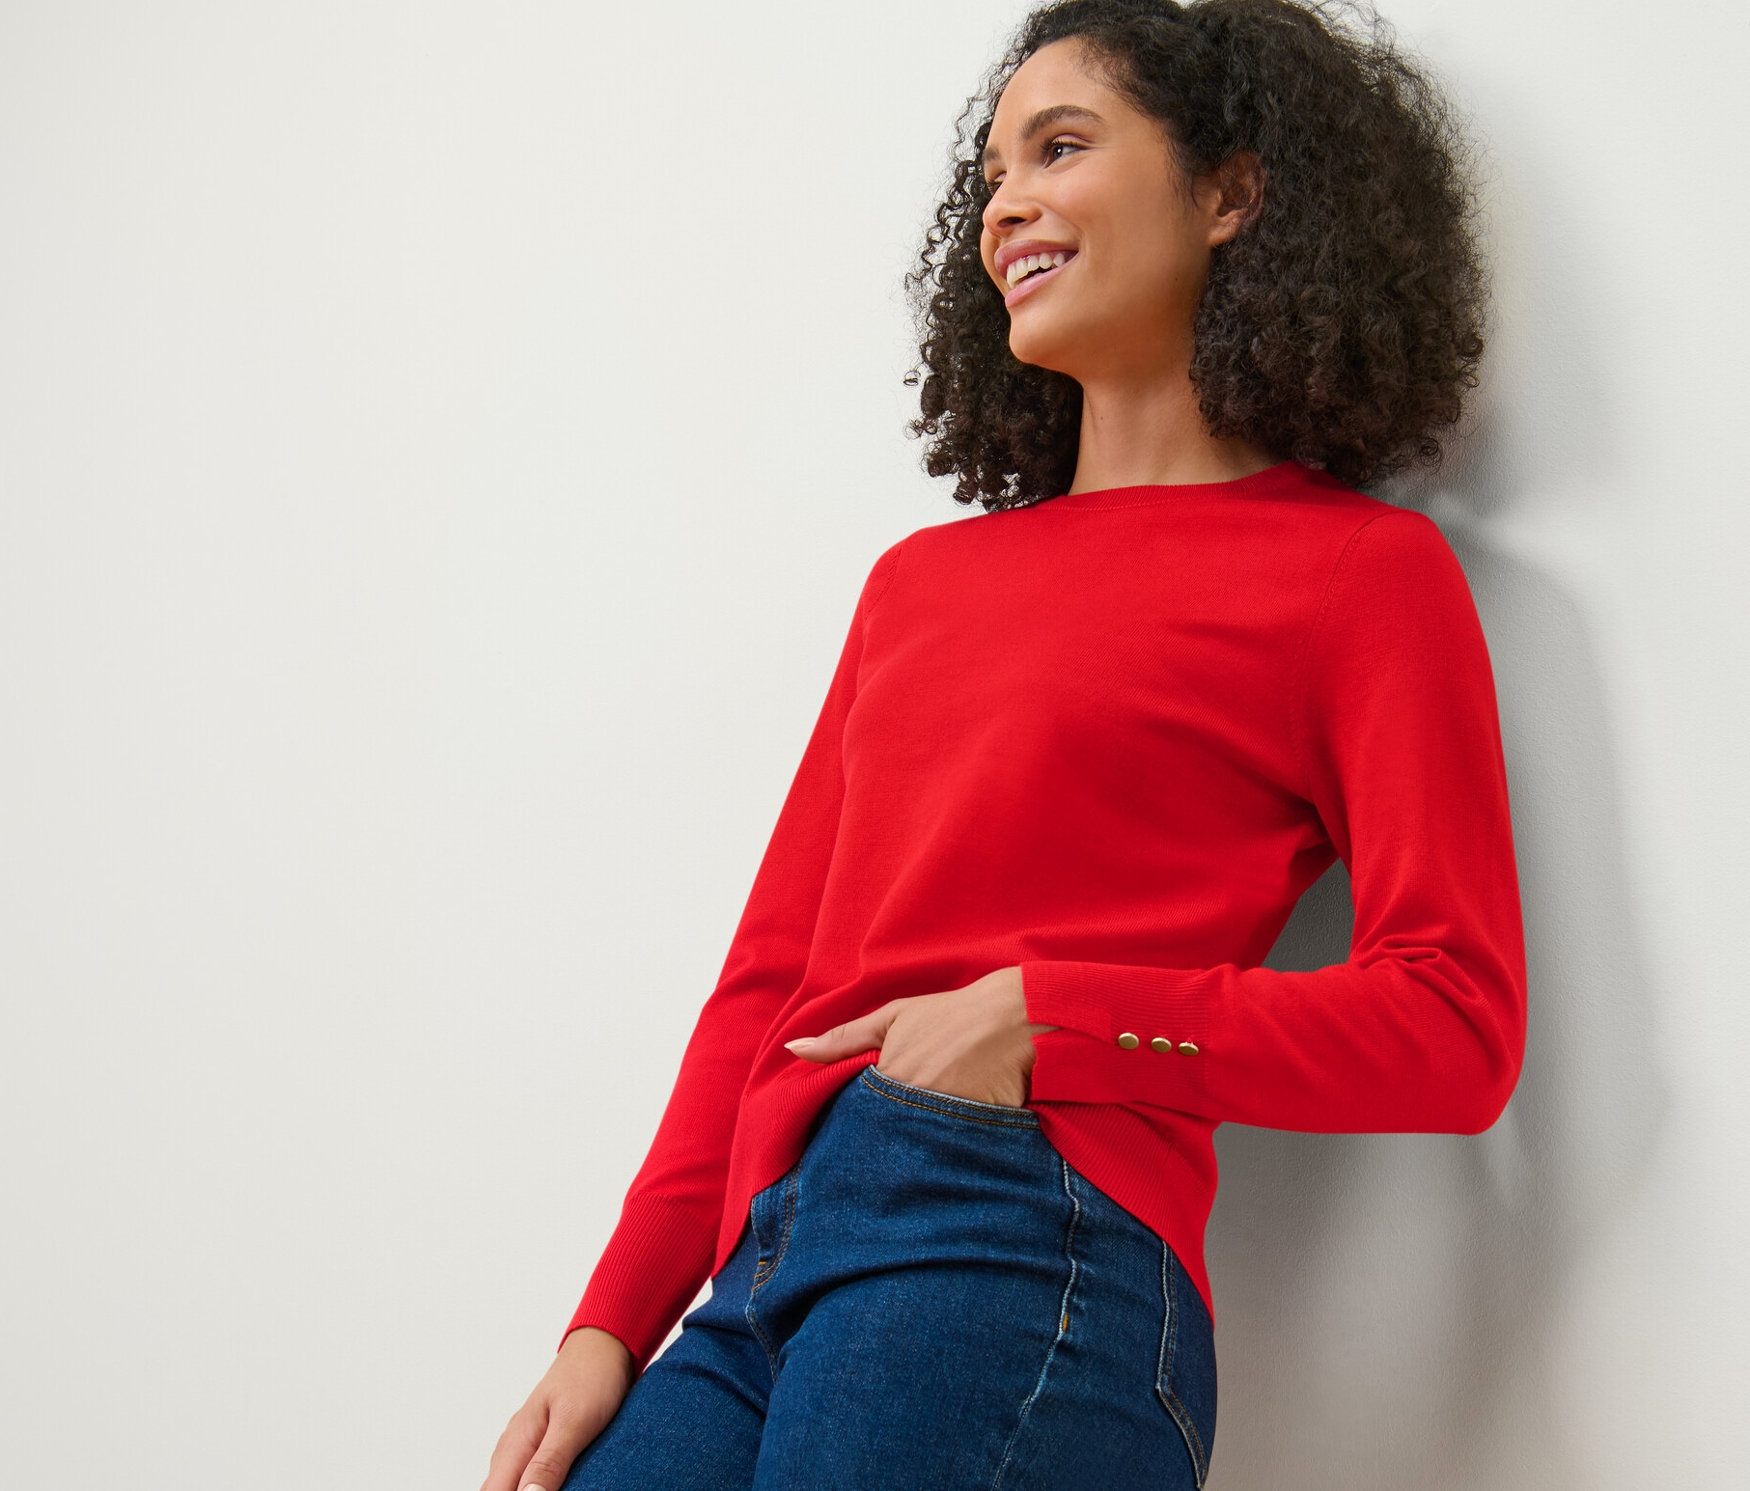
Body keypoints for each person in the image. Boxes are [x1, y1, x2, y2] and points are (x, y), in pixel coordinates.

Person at [481, 1, 1526, 1487]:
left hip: (1021, 1234)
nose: (1007, 203)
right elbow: (771, 987)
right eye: (991, 174)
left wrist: (1052, 1020)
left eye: (1061, 146)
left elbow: (1450, 1028)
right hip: (767, 1258)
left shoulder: (1356, 574)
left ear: (1231, 194)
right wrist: (609, 1323)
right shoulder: (923, 584)